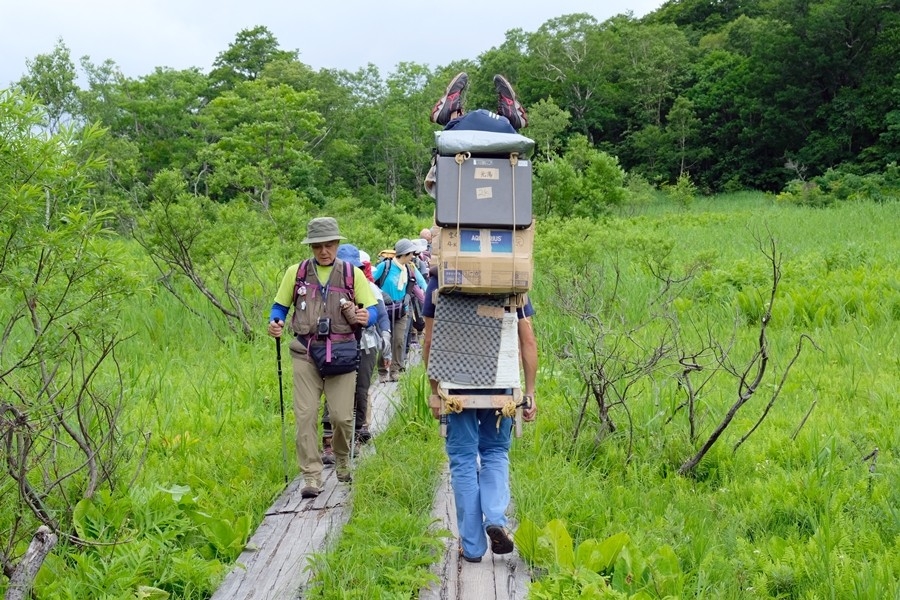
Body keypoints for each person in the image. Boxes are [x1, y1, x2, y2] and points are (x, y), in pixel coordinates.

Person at [423, 71, 538, 563]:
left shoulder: (441, 280)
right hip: (501, 377)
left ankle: (472, 546)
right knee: (495, 454)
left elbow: (429, 339)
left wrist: (433, 388)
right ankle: (496, 516)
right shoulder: (513, 281)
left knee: (461, 461)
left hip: (456, 376)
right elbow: (528, 340)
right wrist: (530, 391)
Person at [267, 217, 378, 498]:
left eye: (329, 245)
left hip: (342, 353)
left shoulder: (352, 273)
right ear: (311, 246)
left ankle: (342, 458)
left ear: (337, 244)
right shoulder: (296, 273)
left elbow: (374, 310)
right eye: (318, 246)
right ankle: (311, 476)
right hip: (305, 352)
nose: (324, 251)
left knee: (342, 417)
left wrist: (365, 316)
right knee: (305, 415)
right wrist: (275, 321)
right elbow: (279, 307)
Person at [321, 245, 392, 461]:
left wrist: (386, 335)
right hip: (336, 345)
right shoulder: (327, 288)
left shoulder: (369, 288)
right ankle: (329, 440)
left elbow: (381, 314)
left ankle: (357, 436)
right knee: (333, 389)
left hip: (365, 345)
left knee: (360, 389)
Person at [425, 72, 528, 198]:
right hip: (503, 130)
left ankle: (451, 114)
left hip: (464, 134)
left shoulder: (453, 134)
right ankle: (510, 118)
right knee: (507, 131)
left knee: (452, 135)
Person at [372, 238, 427, 381]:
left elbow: (418, 282)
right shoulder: (385, 266)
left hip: (402, 309)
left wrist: (409, 296)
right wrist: (382, 294)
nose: (413, 256)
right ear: (404, 253)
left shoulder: (408, 268)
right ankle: (382, 371)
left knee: (399, 340)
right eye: (411, 253)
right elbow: (369, 282)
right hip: (385, 310)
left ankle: (395, 369)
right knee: (385, 340)